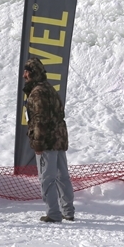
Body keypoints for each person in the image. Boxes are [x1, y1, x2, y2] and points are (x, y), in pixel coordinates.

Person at [23, 56, 74, 222]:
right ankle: (68, 211)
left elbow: (38, 120)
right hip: (59, 139)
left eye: (27, 72)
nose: (24, 75)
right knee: (62, 177)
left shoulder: (37, 93)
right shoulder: (50, 89)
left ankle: (53, 213)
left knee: (47, 178)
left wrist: (37, 143)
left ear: (33, 74)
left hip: (47, 141)